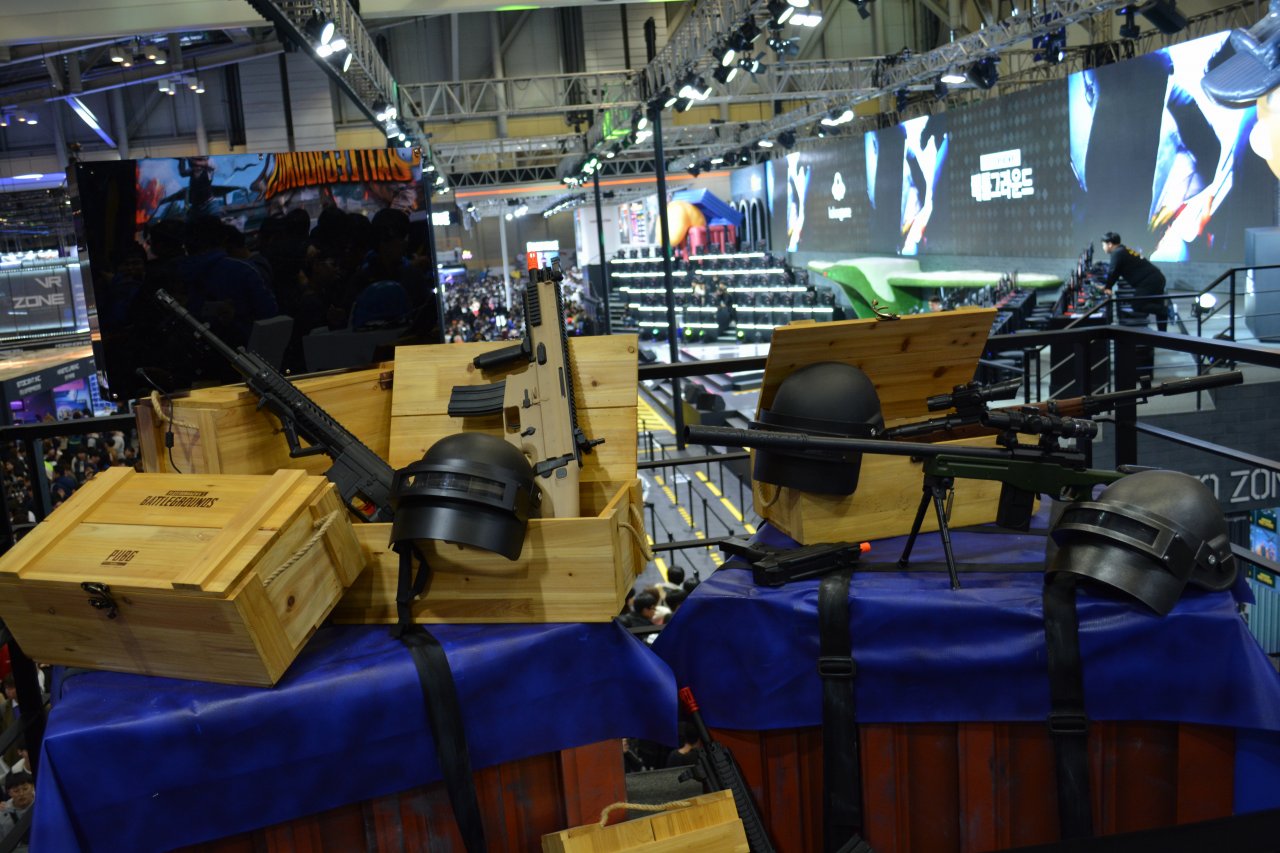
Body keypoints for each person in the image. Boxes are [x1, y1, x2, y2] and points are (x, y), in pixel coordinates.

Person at [1100, 232, 1168, 332]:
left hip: (1149, 281)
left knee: (1137, 305)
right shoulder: (1122, 250)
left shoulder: (1117, 252)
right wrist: (1107, 286)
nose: (1103, 247)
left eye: (1103, 245)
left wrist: (1108, 287)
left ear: (1109, 244)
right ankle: (1163, 335)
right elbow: (1116, 272)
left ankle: (1165, 310)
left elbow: (1113, 271)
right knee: (1157, 307)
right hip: (1156, 278)